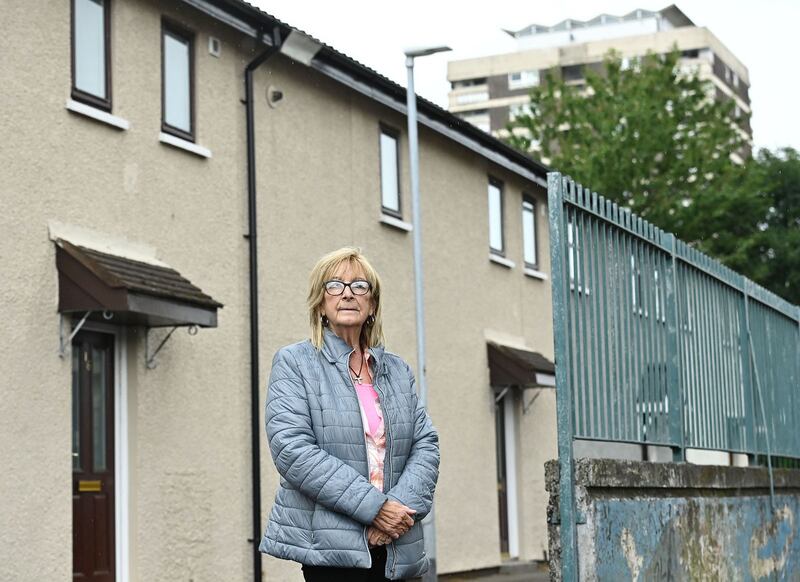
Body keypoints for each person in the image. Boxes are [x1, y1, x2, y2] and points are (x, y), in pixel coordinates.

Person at [259, 247, 440, 581]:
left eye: (359, 286)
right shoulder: (294, 363)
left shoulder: (396, 370)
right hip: (333, 549)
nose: (347, 294)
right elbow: (292, 450)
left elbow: (425, 444)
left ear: (371, 304)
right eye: (334, 286)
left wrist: (395, 512)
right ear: (320, 302)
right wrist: (375, 509)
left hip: (397, 544)